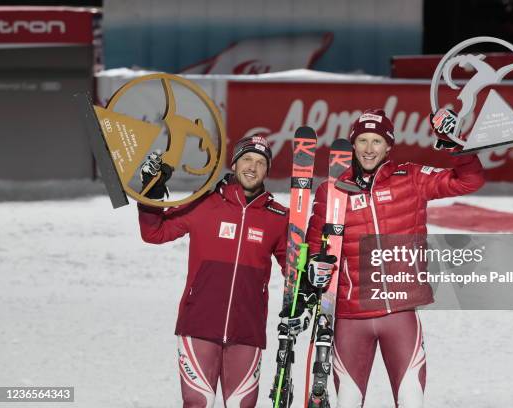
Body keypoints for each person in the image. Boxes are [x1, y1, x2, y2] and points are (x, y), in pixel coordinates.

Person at [305, 109, 485, 407]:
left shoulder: (411, 178)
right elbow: (315, 247)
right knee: (347, 403)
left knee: (411, 401)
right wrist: (313, 267)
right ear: (353, 144)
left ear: (389, 145)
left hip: (401, 312)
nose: (368, 149)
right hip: (351, 316)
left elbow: (469, 182)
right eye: (362, 140)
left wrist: (454, 143)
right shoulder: (331, 192)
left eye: (376, 141)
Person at [137, 134, 309, 408]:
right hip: (198, 326)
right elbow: (154, 232)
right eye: (246, 159)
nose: (252, 167)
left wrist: (310, 263)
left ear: (267, 170)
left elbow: (293, 269)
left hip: (247, 331)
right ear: (235, 163)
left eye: (260, 162)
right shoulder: (204, 204)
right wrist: (151, 194)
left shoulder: (278, 217)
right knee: (197, 403)